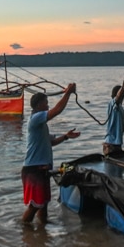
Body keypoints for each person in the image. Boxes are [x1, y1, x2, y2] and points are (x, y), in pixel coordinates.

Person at [22, 84, 79, 225]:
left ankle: (42, 236)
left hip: (41, 168)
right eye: (46, 104)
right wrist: (68, 93)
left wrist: (66, 136)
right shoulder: (35, 118)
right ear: (39, 105)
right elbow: (57, 110)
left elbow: (51, 143)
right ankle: (25, 231)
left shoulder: (40, 124)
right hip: (34, 169)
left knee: (43, 204)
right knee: (35, 205)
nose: (48, 106)